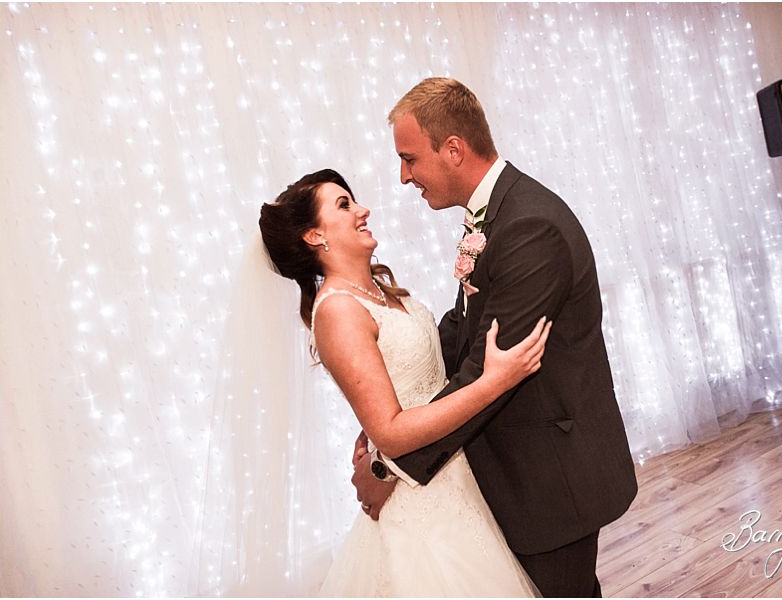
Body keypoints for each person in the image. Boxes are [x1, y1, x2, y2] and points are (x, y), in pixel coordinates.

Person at [351, 77, 638, 598]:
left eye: (410, 158)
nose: (402, 176)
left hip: (551, 476)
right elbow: (464, 327)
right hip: (516, 470)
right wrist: (394, 400)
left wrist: (388, 464)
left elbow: (492, 370)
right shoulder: (496, 213)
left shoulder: (530, 227)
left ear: (453, 149)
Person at [258, 169, 552, 596]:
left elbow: (406, 386)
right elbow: (392, 434)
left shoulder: (379, 290)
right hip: (422, 510)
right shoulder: (339, 311)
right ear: (314, 236)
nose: (363, 210)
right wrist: (494, 382)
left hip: (456, 478)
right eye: (344, 205)